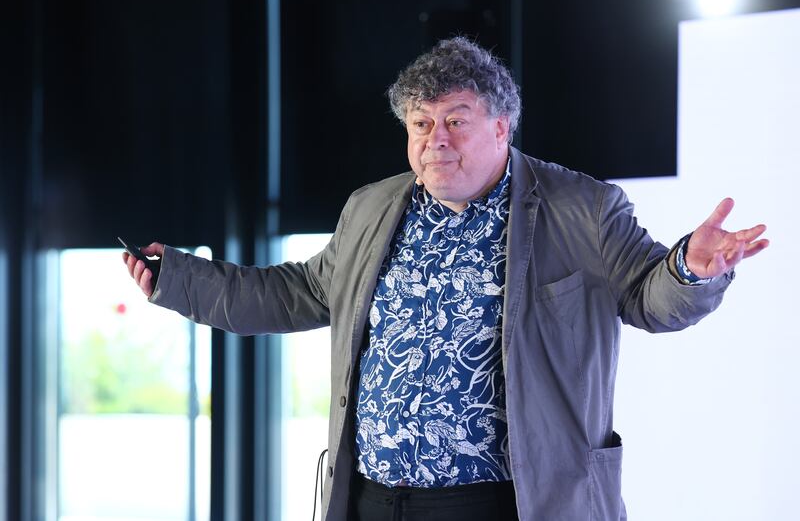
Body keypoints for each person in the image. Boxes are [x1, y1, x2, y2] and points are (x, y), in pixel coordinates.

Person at [123, 37, 768, 521]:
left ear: (500, 126)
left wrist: (691, 268)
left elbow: (648, 295)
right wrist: (175, 281)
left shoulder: (583, 208)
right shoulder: (372, 208)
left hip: (507, 505)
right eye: (420, 123)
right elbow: (296, 293)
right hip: (373, 501)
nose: (436, 139)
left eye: (455, 120)